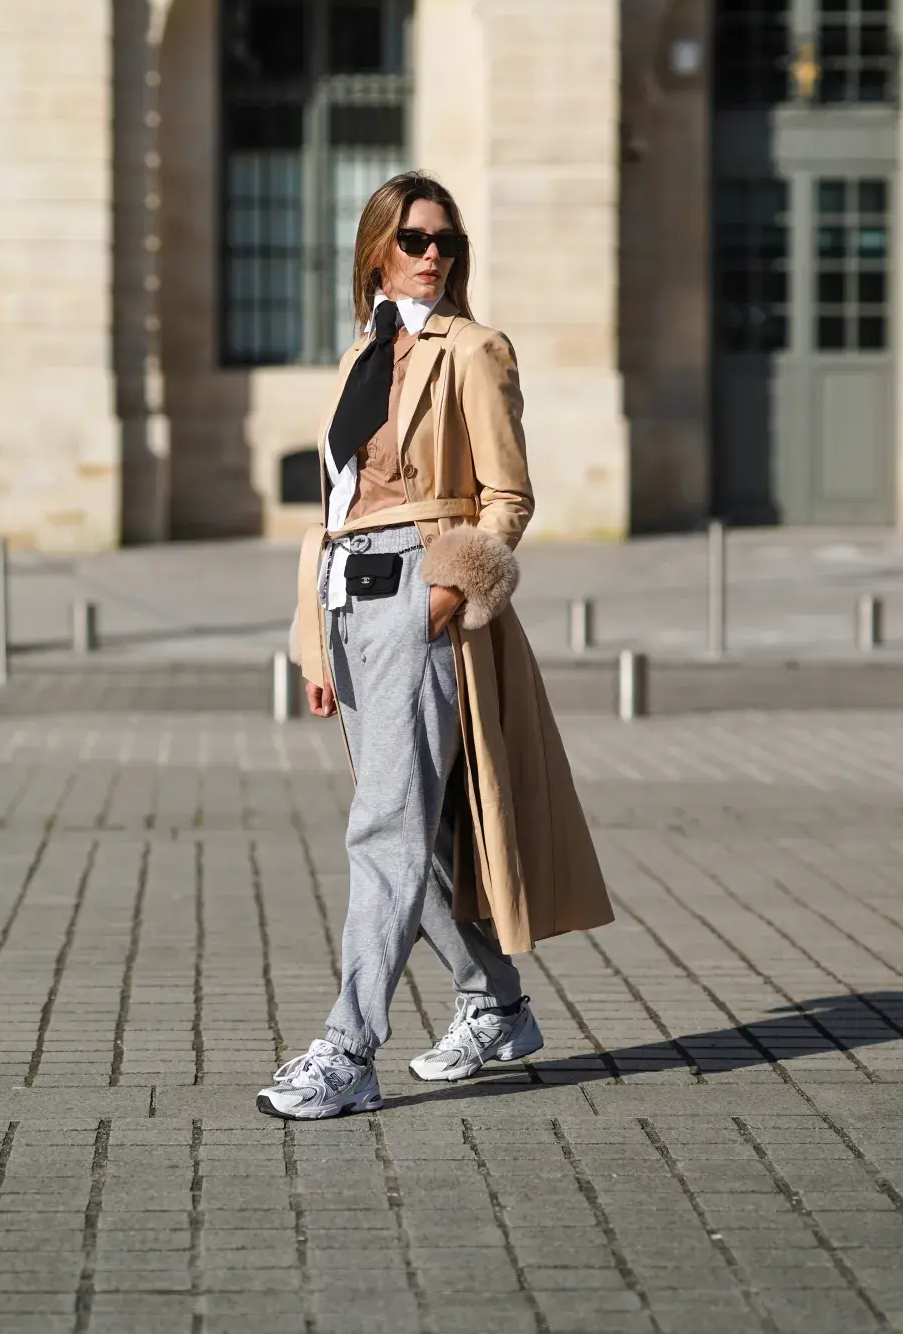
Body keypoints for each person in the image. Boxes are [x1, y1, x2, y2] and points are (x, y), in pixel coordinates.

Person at [257, 172, 613, 1120]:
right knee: (420, 831)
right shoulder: (360, 352)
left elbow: (509, 496)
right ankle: (495, 1005)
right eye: (415, 238)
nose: (433, 255)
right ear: (378, 246)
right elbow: (333, 506)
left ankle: (349, 1046)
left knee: (386, 826)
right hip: (349, 601)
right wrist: (317, 641)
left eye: (447, 240)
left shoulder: (475, 350)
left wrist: (447, 596)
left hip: (419, 596)